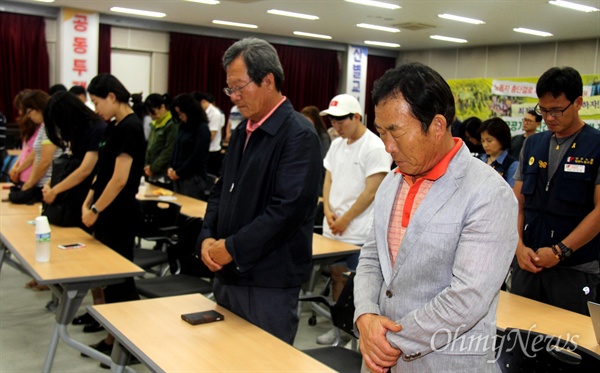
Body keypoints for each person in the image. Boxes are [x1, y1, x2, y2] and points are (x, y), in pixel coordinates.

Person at [354, 62, 518, 372]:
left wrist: (386, 340)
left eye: (396, 132)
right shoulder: (392, 181)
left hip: (444, 362)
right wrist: (365, 316)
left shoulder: (487, 193)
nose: (387, 146)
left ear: (437, 125)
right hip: (378, 359)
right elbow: (372, 258)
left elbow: (466, 299)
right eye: (381, 132)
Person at [199, 37, 322, 345]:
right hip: (228, 271)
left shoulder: (298, 135)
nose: (234, 97)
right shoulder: (243, 131)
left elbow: (287, 211)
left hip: (267, 281)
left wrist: (232, 248)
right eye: (230, 88)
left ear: (268, 80)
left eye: (240, 87)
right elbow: (219, 192)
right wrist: (207, 236)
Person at [511, 66, 600, 316]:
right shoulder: (533, 144)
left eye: (557, 110)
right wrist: (518, 246)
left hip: (574, 270)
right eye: (544, 110)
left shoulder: (596, 146)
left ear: (578, 103)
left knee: (569, 348)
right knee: (520, 341)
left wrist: (560, 251)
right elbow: (517, 203)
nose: (549, 118)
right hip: (527, 266)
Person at [315, 94, 391, 345]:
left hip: (359, 231)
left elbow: (373, 190)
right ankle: (339, 329)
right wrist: (327, 211)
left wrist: (346, 219)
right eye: (333, 121)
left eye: (341, 120)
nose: (336, 126)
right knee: (337, 277)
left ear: (356, 117)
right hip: (335, 228)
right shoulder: (337, 144)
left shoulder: (374, 146)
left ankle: (358, 336)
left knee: (360, 287)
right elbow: (328, 179)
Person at [82, 73, 146, 362]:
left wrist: (95, 210)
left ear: (111, 96)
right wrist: (88, 202)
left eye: (97, 102)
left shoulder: (131, 127)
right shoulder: (113, 126)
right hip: (105, 210)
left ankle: (129, 345)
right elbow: (101, 173)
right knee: (111, 280)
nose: (96, 108)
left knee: (120, 281)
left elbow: (119, 180)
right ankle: (114, 337)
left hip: (118, 213)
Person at [20, 90, 63, 198]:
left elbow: (45, 161)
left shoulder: (51, 126)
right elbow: (37, 157)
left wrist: (30, 183)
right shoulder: (43, 126)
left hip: (50, 185)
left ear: (38, 108)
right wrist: (31, 182)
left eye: (29, 112)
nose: (29, 116)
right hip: (41, 184)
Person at [168, 93, 211, 199]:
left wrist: (179, 172)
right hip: (177, 176)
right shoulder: (183, 127)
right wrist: (170, 167)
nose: (180, 117)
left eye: (181, 113)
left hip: (193, 178)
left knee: (189, 212)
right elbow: (176, 148)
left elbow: (197, 156)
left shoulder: (202, 128)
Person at [143, 93, 177, 186]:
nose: (151, 116)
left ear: (162, 107)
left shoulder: (172, 124)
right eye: (149, 113)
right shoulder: (154, 124)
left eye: (153, 112)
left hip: (164, 174)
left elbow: (168, 150)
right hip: (151, 171)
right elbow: (150, 146)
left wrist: (153, 168)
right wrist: (147, 165)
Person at [9, 90, 40, 187]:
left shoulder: (41, 127)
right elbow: (24, 151)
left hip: (33, 177)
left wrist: (18, 169)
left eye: (21, 109)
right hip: (23, 175)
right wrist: (15, 167)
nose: (19, 112)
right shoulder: (28, 128)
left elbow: (34, 153)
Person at [478, 117, 518, 187]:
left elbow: (512, 194)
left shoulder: (512, 165)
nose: (485, 145)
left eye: (489, 140)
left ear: (501, 139)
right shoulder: (479, 159)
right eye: (482, 141)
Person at [193, 91, 225, 176]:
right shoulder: (201, 113)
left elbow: (211, 136)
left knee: (209, 180)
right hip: (203, 151)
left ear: (203, 101)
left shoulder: (215, 114)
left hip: (212, 153)